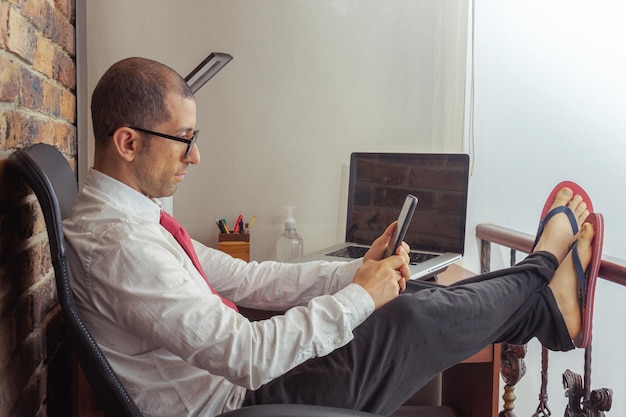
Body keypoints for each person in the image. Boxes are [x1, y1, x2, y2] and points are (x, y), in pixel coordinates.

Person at [63, 57, 603, 417]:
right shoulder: (119, 246)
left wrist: (353, 274)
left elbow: (247, 278)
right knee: (408, 314)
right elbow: (246, 355)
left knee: (410, 296)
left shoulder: (136, 222)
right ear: (128, 142)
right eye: (182, 139)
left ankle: (545, 308)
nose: (195, 155)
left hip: (247, 382)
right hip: (244, 401)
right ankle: (541, 275)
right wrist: (361, 296)